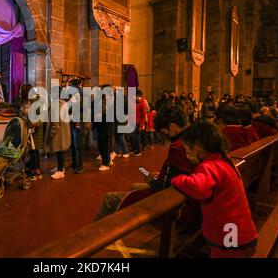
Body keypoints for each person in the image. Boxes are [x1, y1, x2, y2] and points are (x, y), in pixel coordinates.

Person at [171, 121, 258, 258]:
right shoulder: (224, 161)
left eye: (187, 150)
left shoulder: (209, 166)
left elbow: (198, 189)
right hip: (240, 233)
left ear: (198, 148)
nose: (187, 155)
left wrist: (177, 179)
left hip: (230, 238)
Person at [95, 105, 194, 220]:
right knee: (134, 186)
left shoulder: (179, 147)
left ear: (172, 127)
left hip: (168, 199)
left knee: (109, 198)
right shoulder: (190, 139)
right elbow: (177, 173)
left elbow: (167, 187)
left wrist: (152, 179)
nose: (165, 137)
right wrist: (163, 174)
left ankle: (93, 234)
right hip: (175, 192)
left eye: (164, 132)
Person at [45, 87, 71, 180]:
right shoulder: (63, 103)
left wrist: (51, 134)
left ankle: (60, 171)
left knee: (60, 151)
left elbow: (56, 123)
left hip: (59, 133)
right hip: (63, 132)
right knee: (60, 151)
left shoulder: (57, 105)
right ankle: (60, 167)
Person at [67, 79, 85, 174]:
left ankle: (79, 165)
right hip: (76, 119)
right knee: (75, 144)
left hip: (77, 120)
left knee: (77, 144)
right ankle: (75, 163)